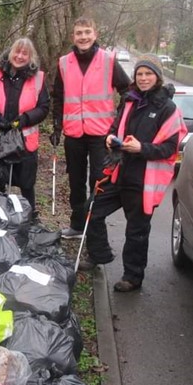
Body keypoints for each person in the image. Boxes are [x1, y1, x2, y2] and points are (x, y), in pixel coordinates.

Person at [85, 54, 186, 291]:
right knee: (91, 210)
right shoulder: (129, 100)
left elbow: (171, 148)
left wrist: (142, 148)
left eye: (148, 74)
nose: (143, 78)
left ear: (157, 77)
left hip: (143, 180)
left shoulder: (168, 109)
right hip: (119, 172)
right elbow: (115, 126)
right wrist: (110, 137)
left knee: (136, 231)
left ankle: (132, 277)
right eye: (139, 74)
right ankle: (99, 254)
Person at [50, 17, 131, 239]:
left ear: (95, 34)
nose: (83, 37)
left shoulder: (108, 60)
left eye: (87, 32)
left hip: (101, 134)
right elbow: (58, 96)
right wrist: (57, 125)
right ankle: (77, 226)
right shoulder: (64, 63)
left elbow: (127, 90)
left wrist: (118, 121)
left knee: (98, 181)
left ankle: (93, 229)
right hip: (73, 132)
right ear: (73, 37)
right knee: (75, 181)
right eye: (79, 33)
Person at [0, 38, 50, 214]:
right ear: (10, 52)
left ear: (31, 57)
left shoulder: (38, 79)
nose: (20, 56)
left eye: (25, 53)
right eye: (17, 51)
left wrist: (25, 119)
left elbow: (44, 107)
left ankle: (29, 218)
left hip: (24, 141)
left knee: (26, 183)